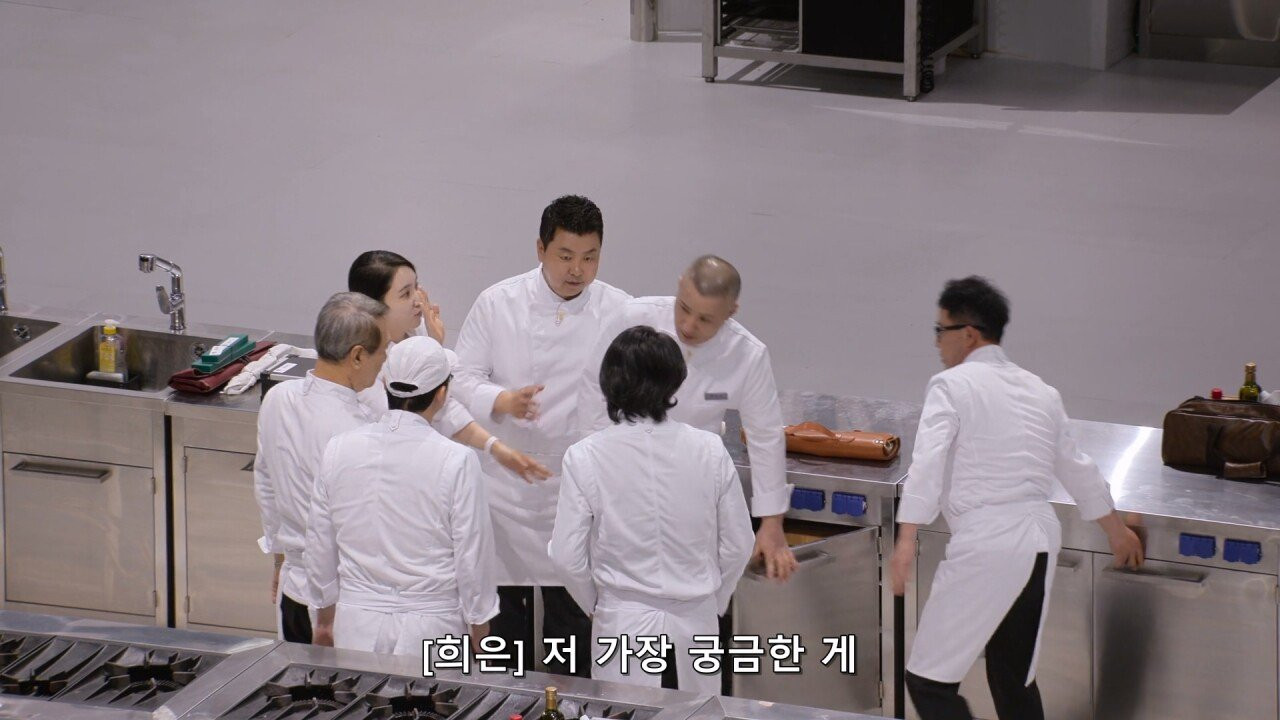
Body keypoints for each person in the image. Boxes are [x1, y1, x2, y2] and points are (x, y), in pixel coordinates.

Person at [889, 276, 1145, 720]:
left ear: (969, 334)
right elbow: (1077, 467)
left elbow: (927, 464)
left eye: (940, 330)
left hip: (987, 541)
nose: (936, 342)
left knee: (928, 680)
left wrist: (906, 540)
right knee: (1012, 678)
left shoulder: (950, 385)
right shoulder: (1040, 390)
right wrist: (1116, 530)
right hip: (1039, 541)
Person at [452, 194, 631, 675]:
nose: (577, 270)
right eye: (565, 256)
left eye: (590, 257)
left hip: (576, 486)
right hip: (504, 484)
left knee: (572, 615)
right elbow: (462, 377)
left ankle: (572, 703)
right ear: (540, 249)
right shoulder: (498, 302)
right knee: (504, 618)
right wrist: (501, 400)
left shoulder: (620, 310)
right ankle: (502, 701)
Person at [549, 326, 754, 694]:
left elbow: (566, 555)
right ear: (674, 381)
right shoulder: (709, 449)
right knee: (697, 715)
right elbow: (739, 544)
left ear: (609, 383)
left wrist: (596, 603)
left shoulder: (586, 455)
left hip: (623, 622)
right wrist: (715, 602)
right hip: (697, 622)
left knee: (624, 712)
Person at [577, 255, 797, 580]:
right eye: (684, 308)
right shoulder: (633, 318)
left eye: (706, 319)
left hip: (693, 489)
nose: (688, 326)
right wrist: (596, 470)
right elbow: (594, 389)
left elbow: (765, 436)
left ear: (731, 312)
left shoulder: (747, 355)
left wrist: (772, 522)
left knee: (695, 581)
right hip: (622, 477)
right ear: (680, 286)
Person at [306, 336, 499, 655]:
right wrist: (480, 625)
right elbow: (472, 552)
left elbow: (319, 541)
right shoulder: (457, 460)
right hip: (432, 627)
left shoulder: (339, 448)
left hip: (355, 622)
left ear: (384, 383)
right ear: (442, 394)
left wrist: (324, 617)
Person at [254, 291, 390, 643]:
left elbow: (266, 485)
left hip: (293, 590)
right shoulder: (360, 432)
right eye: (382, 350)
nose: (385, 359)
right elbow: (364, 528)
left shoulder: (277, 399)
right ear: (357, 356)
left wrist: (279, 559)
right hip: (343, 602)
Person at [348, 250, 549, 482]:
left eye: (416, 287)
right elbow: (411, 419)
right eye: (405, 294)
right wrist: (435, 348)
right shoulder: (368, 365)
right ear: (373, 307)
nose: (418, 300)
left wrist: (497, 448)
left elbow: (447, 405)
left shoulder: (417, 332)